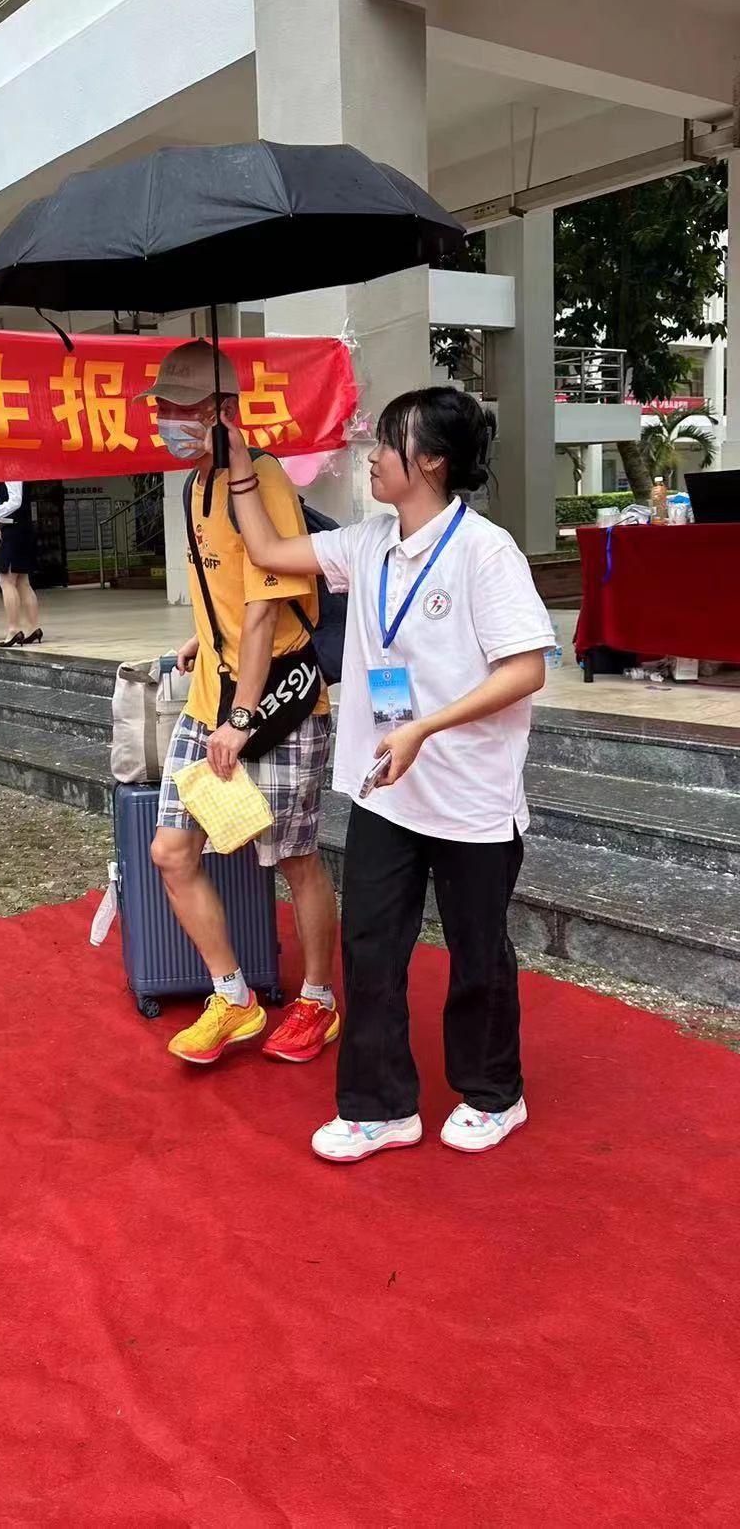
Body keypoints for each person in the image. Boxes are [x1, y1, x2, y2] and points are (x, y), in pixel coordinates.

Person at [226, 386, 555, 1162]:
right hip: (386, 790)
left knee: (478, 953)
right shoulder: (367, 543)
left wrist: (426, 727)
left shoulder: (485, 552)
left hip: (469, 796)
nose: (370, 456)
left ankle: (493, 1092)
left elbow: (526, 670)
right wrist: (239, 462)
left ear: (430, 460)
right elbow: (268, 549)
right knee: (371, 945)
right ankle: (379, 1106)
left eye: (385, 443)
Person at [139, 340, 339, 1068]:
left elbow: (265, 608)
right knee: (170, 850)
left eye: (180, 408)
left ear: (223, 411)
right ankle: (233, 997)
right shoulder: (194, 483)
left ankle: (317, 999)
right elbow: (221, 586)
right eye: (161, 407)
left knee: (294, 857)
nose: (166, 420)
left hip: (277, 700)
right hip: (211, 696)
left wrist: (242, 718)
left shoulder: (262, 481)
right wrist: (201, 636)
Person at [0, 482, 44, 648]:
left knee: (6, 581)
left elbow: (15, 501)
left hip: (14, 532)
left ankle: (13, 629)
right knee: (23, 581)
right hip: (19, 530)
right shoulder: (15, 474)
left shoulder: (12, 473)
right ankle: (33, 628)